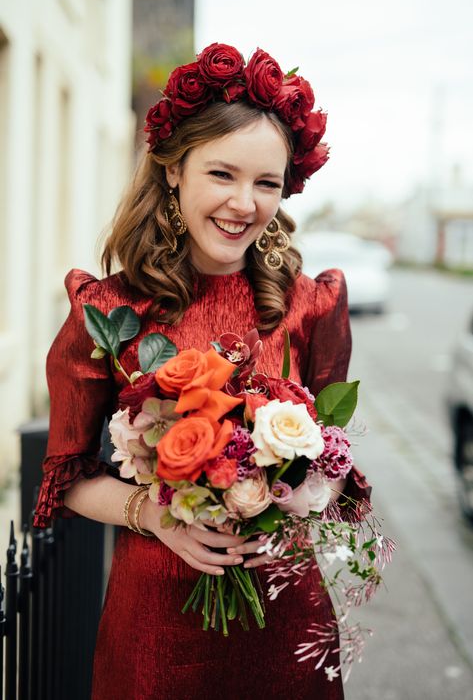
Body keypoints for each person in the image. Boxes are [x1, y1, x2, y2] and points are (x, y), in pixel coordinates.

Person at [34, 43, 370, 700]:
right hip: (157, 633)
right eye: (221, 173)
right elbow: (65, 476)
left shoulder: (313, 303)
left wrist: (285, 491)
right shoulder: (108, 311)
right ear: (172, 171)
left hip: (286, 622)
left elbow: (335, 464)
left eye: (266, 183)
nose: (243, 202)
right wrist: (151, 512)